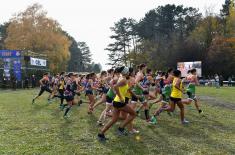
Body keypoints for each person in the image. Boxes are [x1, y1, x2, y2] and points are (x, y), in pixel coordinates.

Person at [98, 66, 136, 141]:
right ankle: (121, 128)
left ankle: (101, 134)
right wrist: (121, 97)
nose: (129, 73)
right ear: (126, 72)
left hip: (116, 101)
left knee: (114, 119)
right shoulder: (123, 79)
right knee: (133, 114)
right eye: (128, 71)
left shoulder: (122, 78)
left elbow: (124, 89)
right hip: (119, 101)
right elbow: (115, 87)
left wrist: (134, 94)